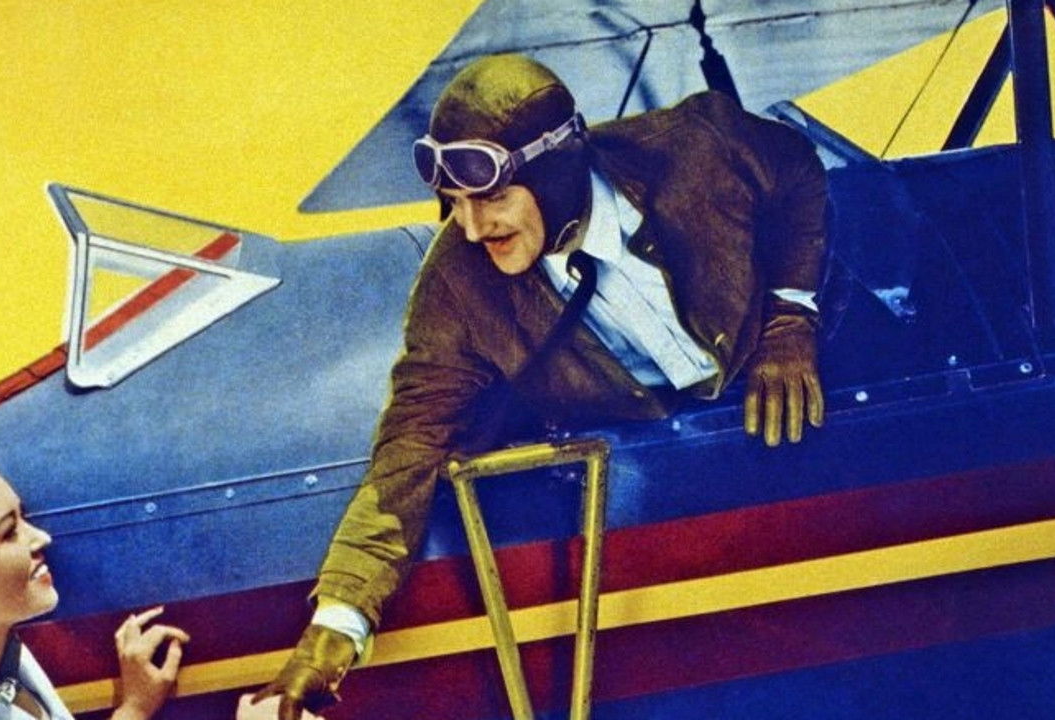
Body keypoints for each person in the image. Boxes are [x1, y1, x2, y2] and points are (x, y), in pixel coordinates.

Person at [256, 53, 828, 718]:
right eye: (456, 204)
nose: (472, 228)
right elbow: (409, 445)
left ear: (556, 172)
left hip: (808, 390)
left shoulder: (697, 146)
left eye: (492, 198)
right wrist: (334, 631)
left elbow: (798, 168)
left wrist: (791, 319)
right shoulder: (457, 284)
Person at [0, 441, 189, 719]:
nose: (42, 538)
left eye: (23, 516)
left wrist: (134, 709)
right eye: (9, 532)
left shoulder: (0, 654)